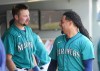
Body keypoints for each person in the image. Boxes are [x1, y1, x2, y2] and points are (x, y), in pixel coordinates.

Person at [2, 4, 50, 71]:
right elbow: (7, 58)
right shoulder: (10, 34)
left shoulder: (28, 30)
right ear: (16, 17)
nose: (28, 18)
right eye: (25, 16)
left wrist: (35, 67)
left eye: (28, 15)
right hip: (18, 69)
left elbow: (31, 53)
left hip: (30, 68)